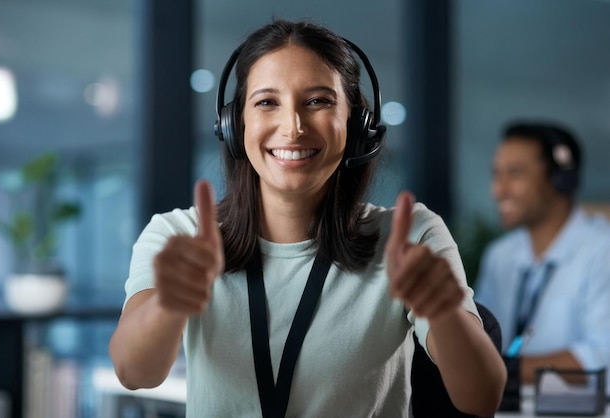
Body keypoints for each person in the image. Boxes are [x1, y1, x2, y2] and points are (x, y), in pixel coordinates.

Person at [109, 19, 506, 417]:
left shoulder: (412, 237)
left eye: (318, 101)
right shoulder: (179, 235)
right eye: (267, 102)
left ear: (355, 125)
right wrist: (168, 304)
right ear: (235, 124)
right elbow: (134, 372)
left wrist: (445, 312)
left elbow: (482, 398)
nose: (293, 127)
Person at [475, 120, 610, 388]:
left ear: (560, 179)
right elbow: (480, 339)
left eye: (514, 173)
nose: (498, 190)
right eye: (496, 174)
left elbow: (603, 356)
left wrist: (501, 370)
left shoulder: (602, 250)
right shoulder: (500, 255)